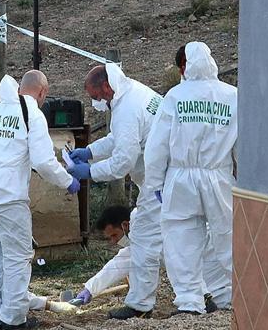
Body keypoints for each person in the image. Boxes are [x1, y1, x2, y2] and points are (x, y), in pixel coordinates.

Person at [0, 71, 80, 330]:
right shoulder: (32, 114)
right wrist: (67, 181)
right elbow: (42, 161)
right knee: (16, 258)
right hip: (7, 199)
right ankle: (14, 319)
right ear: (42, 92)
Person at [144, 41, 237, 315]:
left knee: (180, 237)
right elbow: (244, 143)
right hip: (219, 176)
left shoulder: (175, 97)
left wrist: (155, 183)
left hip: (181, 178)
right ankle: (239, 295)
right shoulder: (233, 96)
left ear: (184, 66)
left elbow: (157, 147)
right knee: (228, 236)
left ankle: (189, 302)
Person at [67, 63, 164, 319]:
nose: (95, 101)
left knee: (143, 237)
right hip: (165, 177)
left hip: (160, 182)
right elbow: (119, 138)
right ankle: (206, 296)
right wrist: (90, 152)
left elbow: (123, 161)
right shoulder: (134, 93)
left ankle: (141, 305)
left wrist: (90, 172)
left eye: (95, 96)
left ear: (107, 87)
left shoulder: (126, 109)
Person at [72, 205, 231, 310]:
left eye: (114, 235)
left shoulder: (143, 221)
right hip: (195, 250)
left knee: (216, 298)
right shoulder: (139, 231)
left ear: (125, 225)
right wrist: (91, 288)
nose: (114, 241)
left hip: (207, 247)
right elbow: (123, 261)